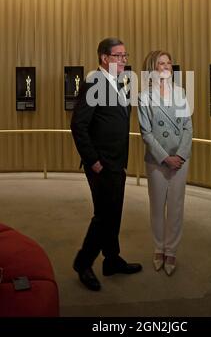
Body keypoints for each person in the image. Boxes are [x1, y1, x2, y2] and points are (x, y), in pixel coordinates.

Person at [71, 37, 142, 291]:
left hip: (117, 162)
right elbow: (78, 126)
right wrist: (93, 161)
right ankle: (83, 263)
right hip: (101, 165)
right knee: (103, 217)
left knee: (114, 214)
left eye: (125, 55)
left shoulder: (117, 82)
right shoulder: (94, 82)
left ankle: (111, 260)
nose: (124, 60)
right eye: (119, 56)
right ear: (104, 58)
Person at [137, 51, 192, 276]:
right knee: (157, 207)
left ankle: (172, 250)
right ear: (152, 67)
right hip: (157, 161)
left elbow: (188, 127)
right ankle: (159, 247)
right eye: (161, 63)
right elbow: (146, 133)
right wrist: (165, 157)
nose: (166, 66)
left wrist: (180, 155)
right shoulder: (143, 97)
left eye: (169, 62)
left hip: (180, 160)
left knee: (176, 207)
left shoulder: (181, 93)